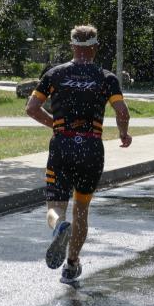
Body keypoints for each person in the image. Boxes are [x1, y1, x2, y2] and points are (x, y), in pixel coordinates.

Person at [25, 25, 132, 285]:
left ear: (72, 46)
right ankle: (71, 265)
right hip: (92, 148)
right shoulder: (106, 78)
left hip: (62, 145)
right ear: (95, 48)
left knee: (55, 207)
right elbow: (122, 112)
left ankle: (58, 226)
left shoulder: (55, 74)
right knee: (81, 209)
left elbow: (32, 108)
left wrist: (56, 125)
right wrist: (123, 134)